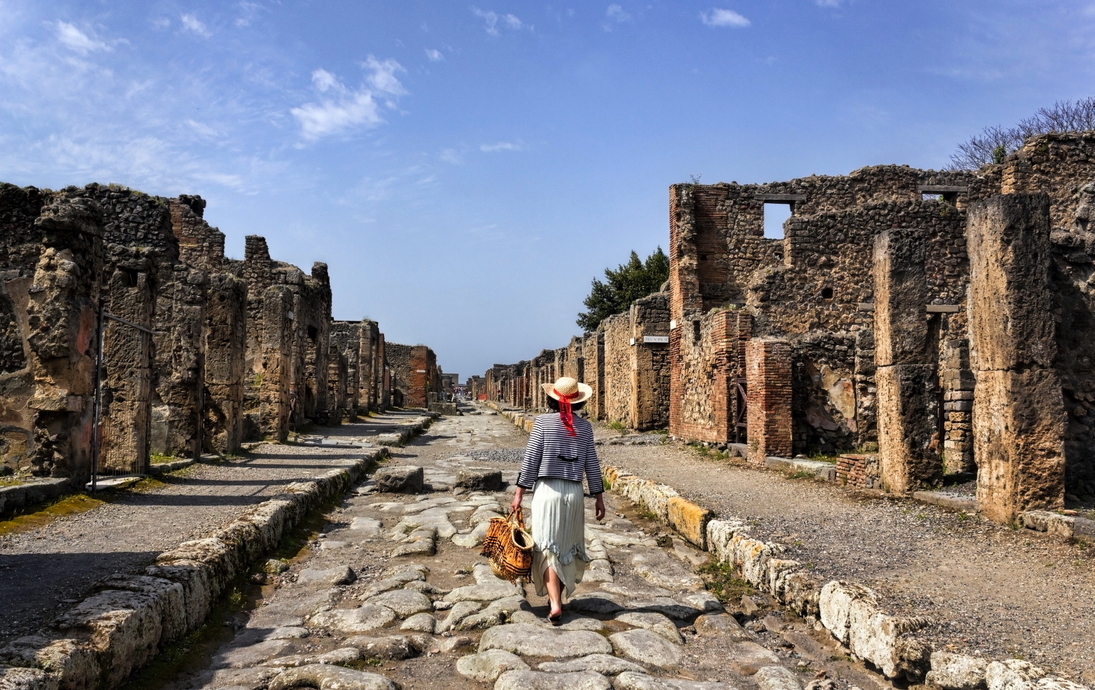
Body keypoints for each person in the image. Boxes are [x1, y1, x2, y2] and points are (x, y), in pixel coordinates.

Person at [511, 376, 605, 625]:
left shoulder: (542, 423)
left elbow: (531, 460)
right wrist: (598, 497)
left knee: (547, 546)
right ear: (577, 402)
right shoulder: (585, 428)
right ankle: (559, 600)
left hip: (547, 491)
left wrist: (519, 492)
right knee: (565, 547)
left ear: (551, 398)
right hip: (574, 493)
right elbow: (592, 465)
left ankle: (554, 603)